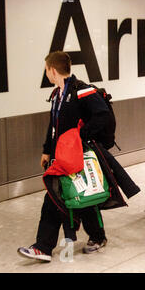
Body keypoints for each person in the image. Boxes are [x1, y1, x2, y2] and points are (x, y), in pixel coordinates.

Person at [17, 51, 111, 262]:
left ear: (52, 70)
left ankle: (45, 246)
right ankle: (92, 237)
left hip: (76, 156)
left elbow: (102, 114)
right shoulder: (58, 94)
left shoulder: (81, 90)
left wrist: (81, 136)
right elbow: (54, 126)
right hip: (60, 157)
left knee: (66, 198)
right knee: (66, 197)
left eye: (46, 70)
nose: (47, 74)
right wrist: (46, 150)